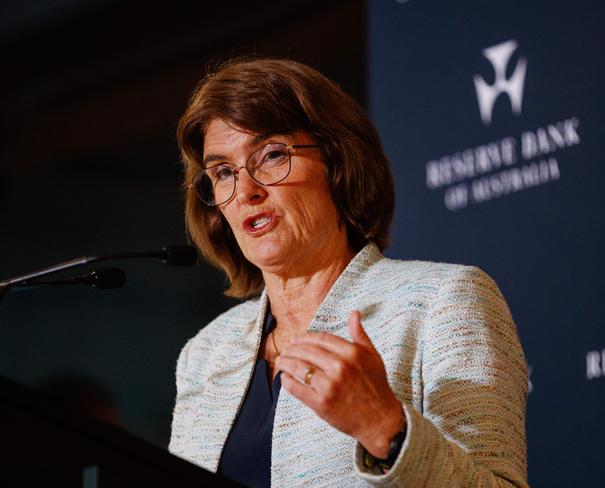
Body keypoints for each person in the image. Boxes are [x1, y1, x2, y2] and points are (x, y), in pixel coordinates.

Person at [169, 57, 529, 488]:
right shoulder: (205, 355)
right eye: (223, 172)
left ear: (337, 164)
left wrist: (384, 428)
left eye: (271, 155)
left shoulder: (443, 301)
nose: (246, 190)